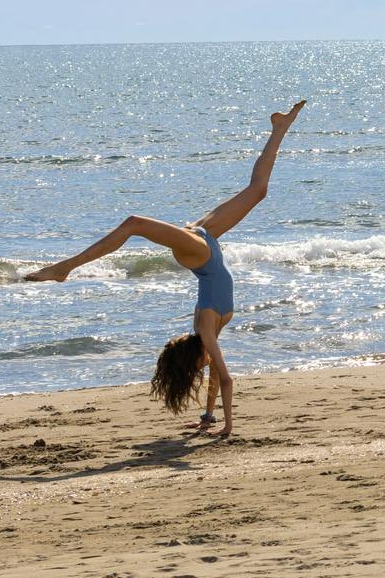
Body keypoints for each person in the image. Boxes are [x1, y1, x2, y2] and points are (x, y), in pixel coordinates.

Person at [24, 101, 305, 435]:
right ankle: (280, 129)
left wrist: (224, 427)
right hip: (205, 245)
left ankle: (63, 268)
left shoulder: (204, 329)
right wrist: (211, 422)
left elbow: (225, 378)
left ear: (195, 359)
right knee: (256, 191)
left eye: (196, 371)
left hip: (200, 252)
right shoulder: (208, 334)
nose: (204, 371)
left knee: (134, 223)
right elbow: (219, 374)